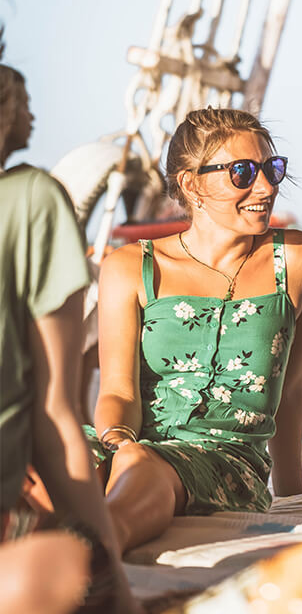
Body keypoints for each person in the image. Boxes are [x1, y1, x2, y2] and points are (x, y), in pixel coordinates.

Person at [85, 107, 302, 553]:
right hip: (129, 439)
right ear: (190, 183)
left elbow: (291, 385)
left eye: (272, 168)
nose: (266, 186)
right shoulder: (129, 267)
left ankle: (92, 555)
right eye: (242, 172)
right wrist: (118, 445)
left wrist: (289, 490)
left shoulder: (298, 258)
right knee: (55, 459)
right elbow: (118, 392)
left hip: (225, 461)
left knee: (144, 463)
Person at [0, 63, 137, 613]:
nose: (31, 113)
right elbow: (56, 415)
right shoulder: (32, 202)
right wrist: (116, 580)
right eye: (22, 99)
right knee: (70, 565)